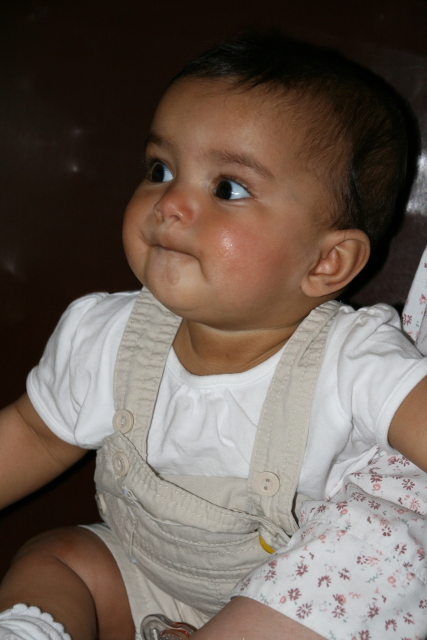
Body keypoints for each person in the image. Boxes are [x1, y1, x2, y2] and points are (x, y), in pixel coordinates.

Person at [0, 31, 426, 640]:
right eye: (160, 169)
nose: (170, 202)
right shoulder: (106, 335)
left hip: (284, 611)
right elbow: (35, 436)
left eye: (228, 187)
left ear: (325, 262)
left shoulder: (353, 361)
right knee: (58, 558)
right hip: (141, 576)